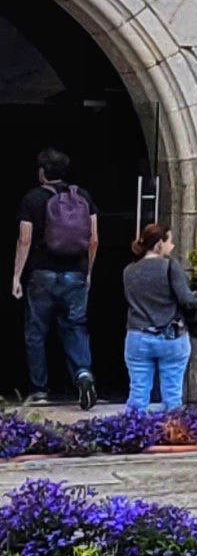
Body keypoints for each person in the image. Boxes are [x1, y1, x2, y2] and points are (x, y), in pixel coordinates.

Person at [12, 145, 98, 406]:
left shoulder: (32, 199)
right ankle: (83, 373)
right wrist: (88, 271)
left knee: (36, 332)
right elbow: (94, 239)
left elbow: (24, 239)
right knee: (75, 327)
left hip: (42, 273)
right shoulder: (83, 196)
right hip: (75, 273)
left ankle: (39, 391)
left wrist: (16, 276)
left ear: (42, 172)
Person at [120, 222, 197, 415]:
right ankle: (172, 429)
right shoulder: (170, 266)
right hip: (171, 336)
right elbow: (186, 299)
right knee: (172, 397)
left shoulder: (129, 271)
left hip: (137, 336)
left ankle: (133, 430)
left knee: (137, 395)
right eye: (170, 241)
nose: (173, 245)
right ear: (159, 243)